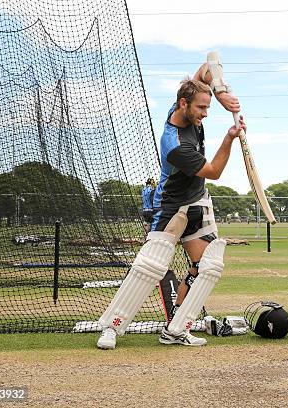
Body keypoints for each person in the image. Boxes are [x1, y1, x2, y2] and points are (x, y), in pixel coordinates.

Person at [97, 64, 245, 349]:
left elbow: (205, 69)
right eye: (202, 108)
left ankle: (176, 329)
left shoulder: (182, 106)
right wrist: (229, 137)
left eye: (208, 108)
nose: (205, 114)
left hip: (198, 202)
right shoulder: (173, 143)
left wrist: (221, 92)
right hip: (172, 206)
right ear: (183, 104)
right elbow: (213, 171)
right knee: (149, 267)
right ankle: (111, 327)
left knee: (207, 267)